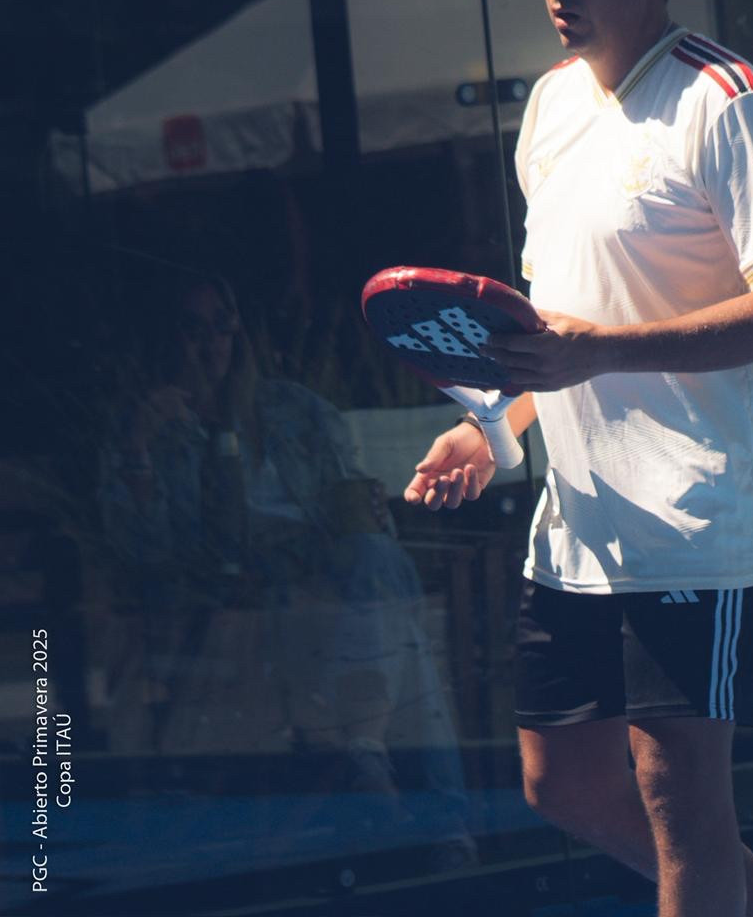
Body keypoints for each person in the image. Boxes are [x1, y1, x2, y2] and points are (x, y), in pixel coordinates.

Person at [404, 0, 753, 917]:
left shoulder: (731, 102)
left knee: (683, 810)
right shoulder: (548, 108)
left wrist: (602, 353)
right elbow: (557, 325)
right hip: (579, 527)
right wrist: (492, 428)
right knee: (563, 784)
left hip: (700, 526)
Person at [99, 271, 473, 863]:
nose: (210, 345)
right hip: (238, 596)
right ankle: (438, 819)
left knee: (376, 562)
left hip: (323, 578)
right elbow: (141, 551)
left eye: (222, 327)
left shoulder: (291, 410)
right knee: (404, 637)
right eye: (193, 330)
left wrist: (370, 511)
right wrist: (139, 450)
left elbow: (352, 509)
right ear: (167, 339)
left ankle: (368, 753)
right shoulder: (149, 428)